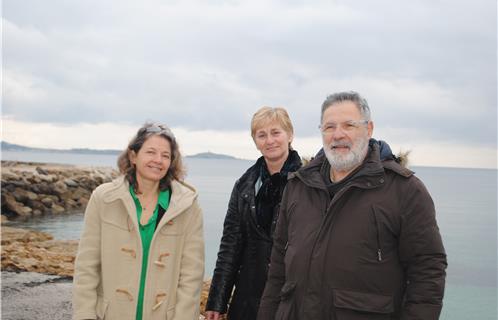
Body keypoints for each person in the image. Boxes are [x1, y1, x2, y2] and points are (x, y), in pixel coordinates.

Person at [258, 91, 447, 320]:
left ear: (368, 129)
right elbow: (278, 266)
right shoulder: (299, 186)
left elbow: (427, 271)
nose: (338, 135)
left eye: (349, 125)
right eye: (329, 127)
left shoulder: (404, 190)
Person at [73, 123, 204, 320]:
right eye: (151, 152)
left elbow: (191, 277)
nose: (158, 160)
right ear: (133, 156)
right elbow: (86, 266)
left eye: (165, 155)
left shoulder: (188, 206)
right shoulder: (104, 198)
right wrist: (85, 315)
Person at [205, 107, 302, 320]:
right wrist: (217, 301)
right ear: (255, 141)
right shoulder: (244, 186)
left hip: (292, 297)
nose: (270, 140)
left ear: (290, 134)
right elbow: (230, 245)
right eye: (262, 135)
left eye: (276, 132)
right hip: (248, 297)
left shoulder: (307, 184)